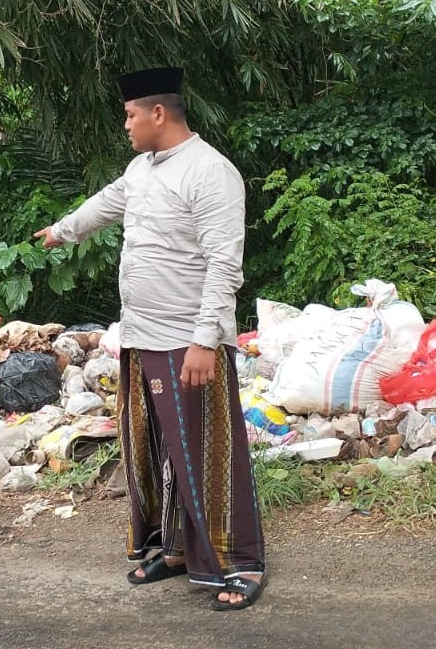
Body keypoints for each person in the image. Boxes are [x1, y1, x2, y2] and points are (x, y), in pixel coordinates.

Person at [33, 66, 266, 611]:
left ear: (158, 113)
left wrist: (205, 340)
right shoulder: (142, 169)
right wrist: (62, 230)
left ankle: (241, 563)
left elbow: (224, 265)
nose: (126, 125)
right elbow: (105, 203)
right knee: (156, 450)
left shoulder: (211, 172)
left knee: (206, 453)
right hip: (142, 335)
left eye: (130, 115)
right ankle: (178, 549)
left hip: (189, 341)